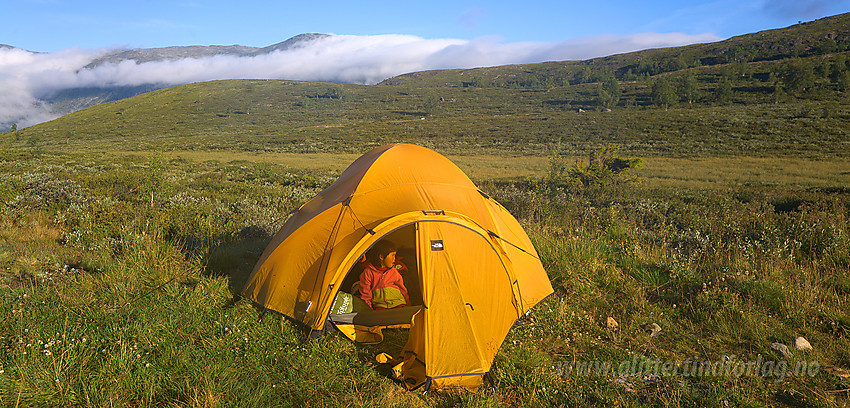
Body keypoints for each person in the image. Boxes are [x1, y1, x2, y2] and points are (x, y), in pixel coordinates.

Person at [358, 240, 410, 310]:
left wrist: (407, 302)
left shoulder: (393, 272)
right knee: (381, 318)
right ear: (381, 257)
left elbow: (402, 288)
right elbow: (365, 294)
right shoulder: (368, 273)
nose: (394, 259)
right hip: (381, 305)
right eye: (392, 255)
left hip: (398, 302)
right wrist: (369, 309)